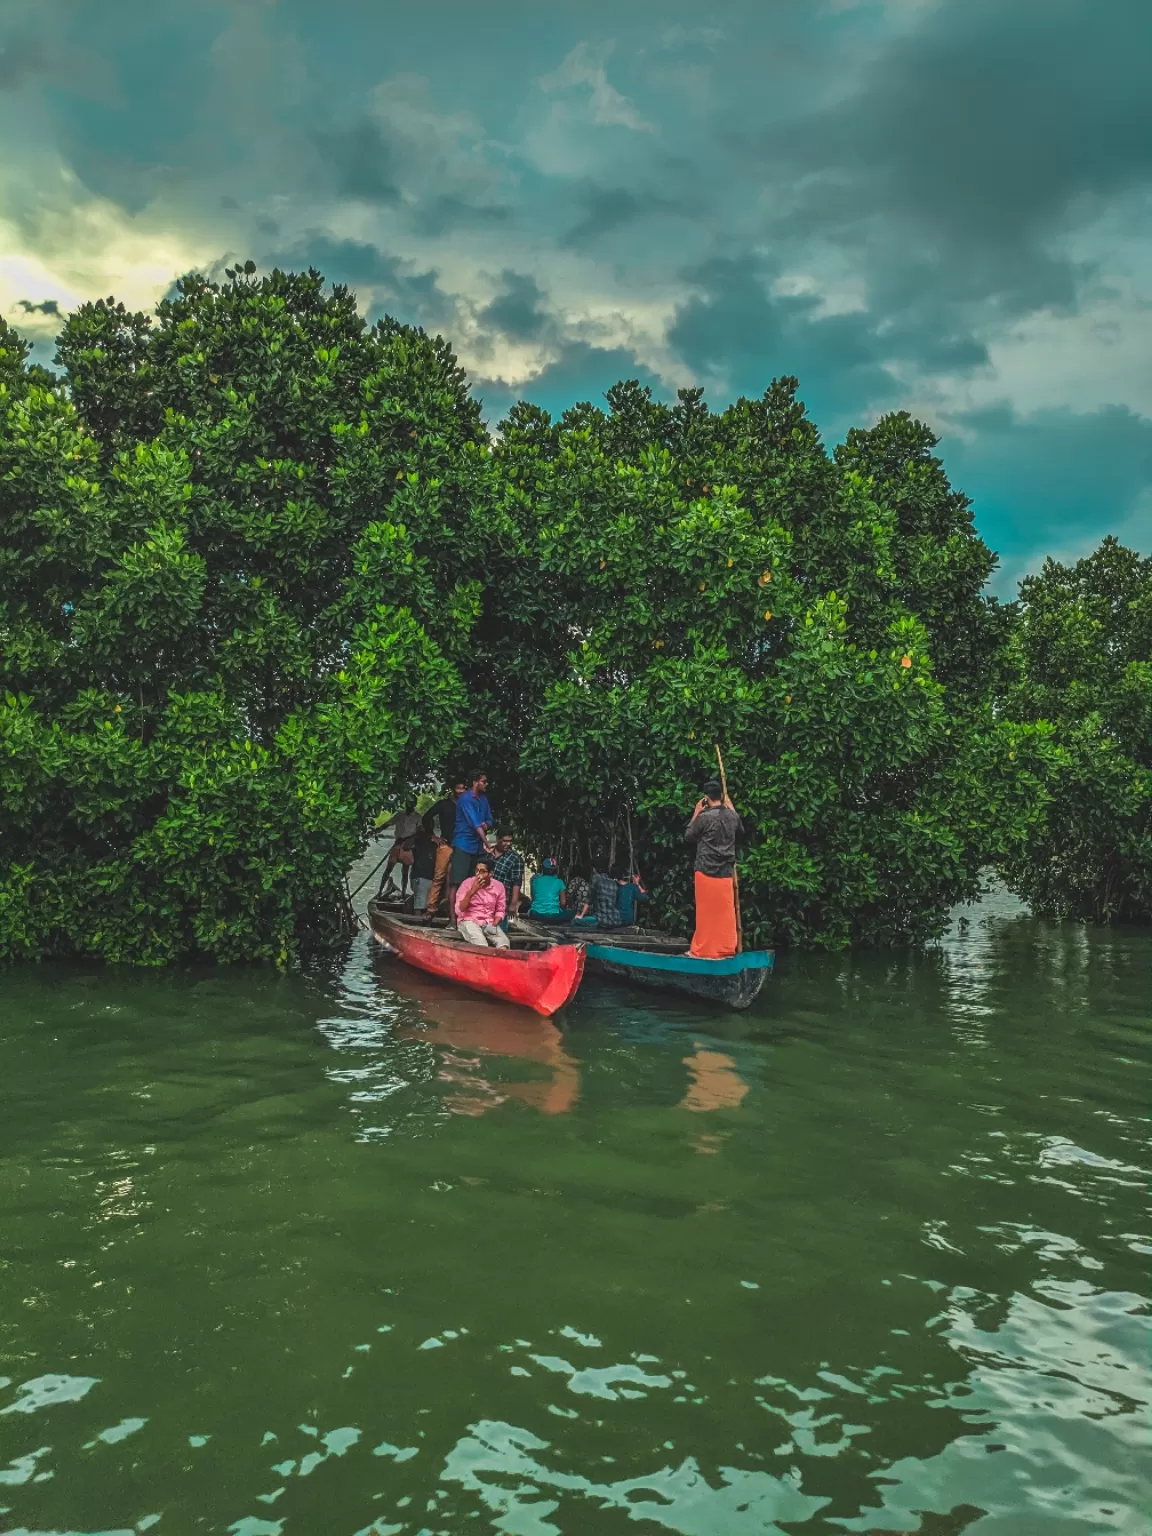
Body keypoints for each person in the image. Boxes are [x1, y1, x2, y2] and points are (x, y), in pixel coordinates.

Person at [684, 777, 743, 959]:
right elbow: (740, 830)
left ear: (706, 798)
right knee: (725, 914)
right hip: (725, 872)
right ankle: (725, 948)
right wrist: (730, 806)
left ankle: (702, 951)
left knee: (706, 914)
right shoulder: (732, 816)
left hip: (706, 870)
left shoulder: (704, 817)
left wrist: (696, 812)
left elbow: (688, 836)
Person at [448, 770, 493, 922]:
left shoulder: (484, 799)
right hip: (463, 843)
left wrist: (484, 826)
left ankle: (470, 917)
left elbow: (489, 821)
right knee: (457, 882)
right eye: (483, 781)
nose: (486, 784)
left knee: (475, 880)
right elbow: (476, 824)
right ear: (475, 782)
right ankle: (453, 920)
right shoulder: (466, 799)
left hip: (477, 845)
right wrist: (487, 843)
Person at [423, 779, 465, 915]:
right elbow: (426, 818)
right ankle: (431, 907)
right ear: (453, 789)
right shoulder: (443, 804)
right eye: (458, 788)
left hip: (462, 845)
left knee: (458, 877)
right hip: (446, 844)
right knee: (439, 876)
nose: (461, 791)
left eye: (463, 788)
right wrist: (433, 836)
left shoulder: (467, 805)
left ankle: (454, 908)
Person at [454, 855, 510, 948]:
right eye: (476, 870)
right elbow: (460, 909)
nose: (478, 874)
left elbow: (500, 911)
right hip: (468, 920)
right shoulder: (467, 883)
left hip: (489, 922)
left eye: (482, 871)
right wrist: (472, 891)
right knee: (481, 945)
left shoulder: (499, 886)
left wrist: (494, 925)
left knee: (504, 943)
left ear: (490, 874)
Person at [376, 799, 422, 897]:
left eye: (411, 803)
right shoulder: (400, 814)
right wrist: (378, 830)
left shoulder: (417, 817)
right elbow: (388, 823)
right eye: (408, 803)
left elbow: (420, 831)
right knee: (388, 869)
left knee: (405, 871)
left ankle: (404, 893)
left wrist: (410, 839)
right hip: (397, 844)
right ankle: (380, 891)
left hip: (408, 847)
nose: (409, 805)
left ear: (414, 804)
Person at [490, 830, 526, 929]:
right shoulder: (487, 854)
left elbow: (516, 882)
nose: (508, 844)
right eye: (505, 841)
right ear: (498, 839)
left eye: (510, 841)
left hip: (502, 903)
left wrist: (513, 904)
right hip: (484, 901)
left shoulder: (515, 858)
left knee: (498, 932)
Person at [410, 822, 439, 913]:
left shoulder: (435, 841)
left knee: (426, 905)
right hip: (421, 877)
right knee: (420, 905)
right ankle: (417, 922)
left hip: (430, 877)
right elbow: (406, 846)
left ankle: (422, 922)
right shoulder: (418, 840)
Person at [529, 857, 570, 922]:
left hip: (536, 914)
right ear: (556, 870)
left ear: (543, 868)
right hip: (553, 915)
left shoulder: (535, 880)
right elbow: (563, 903)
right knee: (570, 914)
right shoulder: (559, 882)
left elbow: (533, 898)